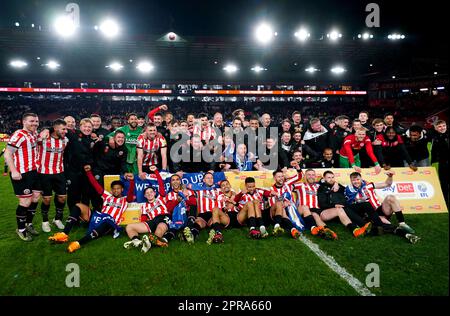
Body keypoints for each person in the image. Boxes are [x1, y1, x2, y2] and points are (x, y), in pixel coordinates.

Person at [50, 165, 135, 252]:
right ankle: (64, 234)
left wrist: (132, 181)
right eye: (114, 189)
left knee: (106, 223)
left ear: (122, 190)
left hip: (109, 222)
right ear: (111, 190)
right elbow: (95, 184)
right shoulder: (107, 196)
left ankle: (77, 243)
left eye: (118, 189)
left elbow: (131, 193)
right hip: (99, 217)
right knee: (78, 205)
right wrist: (88, 172)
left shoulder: (125, 199)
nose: (116, 191)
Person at [344, 171, 420, 244]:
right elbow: (352, 207)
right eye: (354, 180)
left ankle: (402, 223)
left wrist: (390, 176)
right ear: (351, 181)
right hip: (369, 214)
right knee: (384, 224)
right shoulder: (349, 190)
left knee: (390, 197)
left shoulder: (368, 185)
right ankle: (400, 232)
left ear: (361, 179)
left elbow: (387, 184)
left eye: (358, 179)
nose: (356, 181)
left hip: (380, 209)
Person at [4, 113, 41, 241]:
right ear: (23, 122)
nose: (35, 124)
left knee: (35, 198)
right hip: (22, 173)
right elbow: (7, 153)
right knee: (25, 201)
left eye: (36, 121)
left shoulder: (34, 133)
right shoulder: (19, 135)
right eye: (32, 121)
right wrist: (13, 171)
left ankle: (28, 223)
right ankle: (21, 229)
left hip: (35, 171)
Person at [124, 166, 170, 252]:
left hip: (163, 217)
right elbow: (144, 218)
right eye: (147, 193)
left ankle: (151, 242)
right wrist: (142, 225)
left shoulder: (160, 198)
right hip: (152, 221)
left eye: (151, 192)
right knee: (129, 227)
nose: (149, 194)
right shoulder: (144, 206)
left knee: (159, 229)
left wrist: (156, 171)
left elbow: (160, 183)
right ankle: (137, 241)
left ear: (155, 193)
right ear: (144, 196)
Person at [315, 170, 371, 239]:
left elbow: (347, 191)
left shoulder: (338, 186)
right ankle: (362, 226)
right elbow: (322, 204)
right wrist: (334, 205)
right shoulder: (321, 188)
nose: (331, 179)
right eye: (329, 177)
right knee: (341, 209)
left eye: (332, 177)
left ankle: (369, 223)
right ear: (324, 178)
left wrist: (336, 184)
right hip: (327, 212)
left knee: (362, 204)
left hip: (343, 209)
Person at [37, 119, 69, 232]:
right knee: (46, 199)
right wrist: (44, 130)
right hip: (44, 173)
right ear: (55, 129)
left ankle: (57, 219)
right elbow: (35, 137)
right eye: (63, 129)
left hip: (59, 172)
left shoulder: (65, 140)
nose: (66, 131)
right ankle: (45, 221)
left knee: (62, 197)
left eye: (66, 129)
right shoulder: (43, 139)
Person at [182, 172, 224, 243]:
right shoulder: (198, 190)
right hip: (202, 215)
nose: (210, 180)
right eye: (208, 178)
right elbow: (184, 185)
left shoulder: (217, 189)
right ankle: (191, 236)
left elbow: (227, 188)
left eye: (211, 178)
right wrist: (184, 189)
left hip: (213, 214)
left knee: (213, 223)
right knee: (198, 223)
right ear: (204, 180)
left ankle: (214, 235)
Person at [266, 169, 302, 239]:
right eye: (279, 177)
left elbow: (299, 177)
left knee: (287, 208)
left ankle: (285, 228)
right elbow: (273, 204)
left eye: (282, 176)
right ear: (274, 178)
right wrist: (284, 203)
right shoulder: (271, 189)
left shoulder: (287, 184)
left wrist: (298, 169)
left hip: (288, 211)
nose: (281, 178)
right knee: (279, 205)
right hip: (275, 213)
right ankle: (291, 229)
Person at [431, 120, 449, 204]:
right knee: (443, 183)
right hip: (442, 163)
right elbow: (433, 151)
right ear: (435, 128)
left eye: (444, 126)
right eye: (440, 126)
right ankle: (445, 202)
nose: (442, 128)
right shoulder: (435, 137)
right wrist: (433, 162)